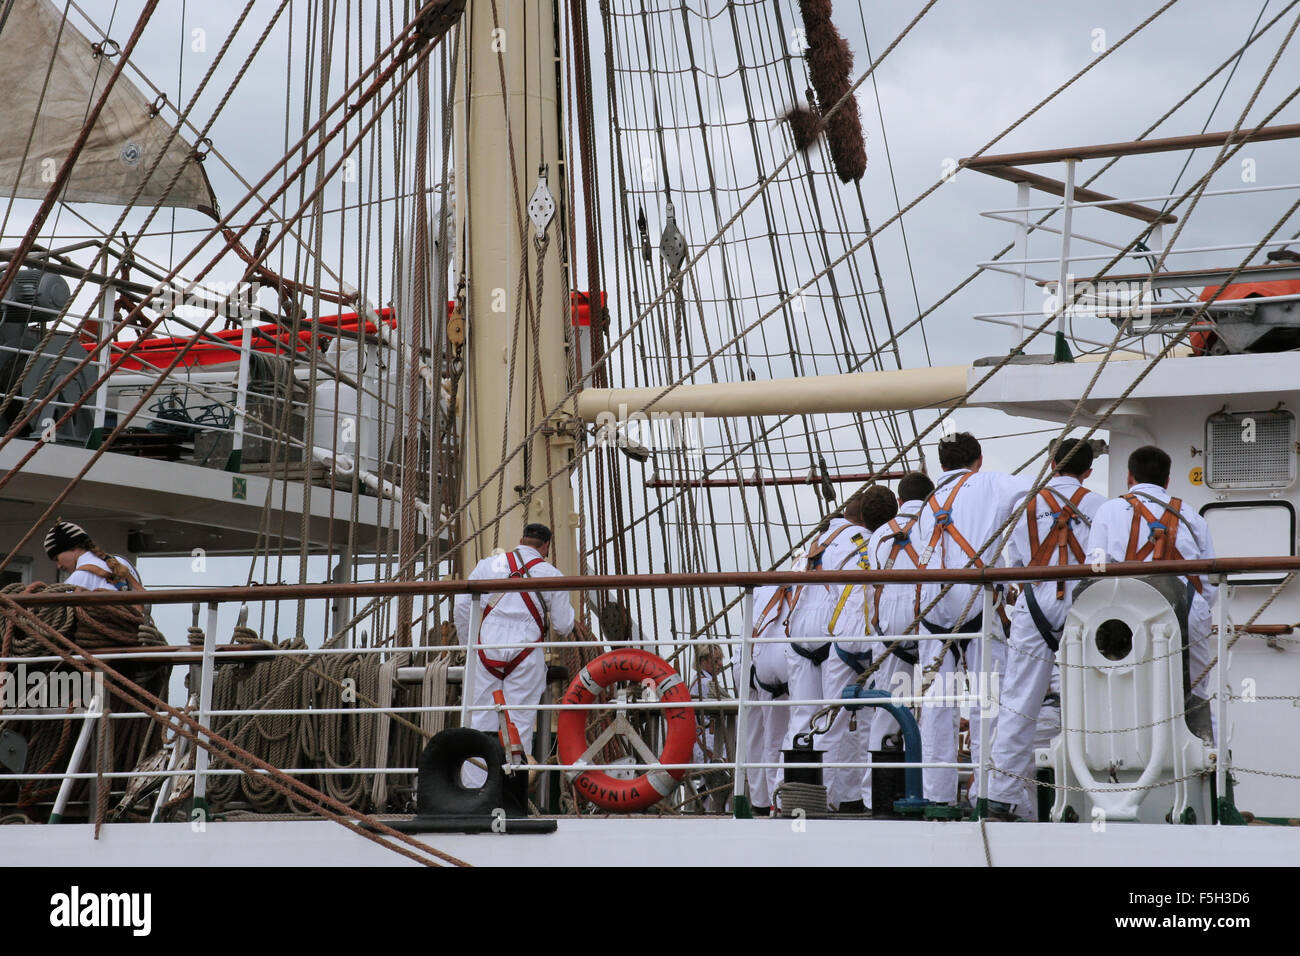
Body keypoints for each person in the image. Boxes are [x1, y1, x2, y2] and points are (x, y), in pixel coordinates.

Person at [987, 438, 1105, 820]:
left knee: (1019, 702)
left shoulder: (1023, 503)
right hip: (1083, 608)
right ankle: (1092, 795)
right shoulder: (1100, 505)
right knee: (1089, 703)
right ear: (1089, 470)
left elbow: (1018, 561)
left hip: (1033, 606)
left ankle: (1001, 797)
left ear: (1052, 463)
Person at [913, 432, 1028, 806]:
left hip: (933, 609)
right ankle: (987, 793)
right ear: (978, 459)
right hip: (978, 607)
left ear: (941, 465)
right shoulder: (992, 482)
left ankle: (937, 798)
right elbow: (1037, 495)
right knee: (988, 704)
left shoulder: (926, 502)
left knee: (935, 707)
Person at [1086, 445, 1217, 739]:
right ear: (1167, 481)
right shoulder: (1191, 514)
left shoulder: (1109, 510)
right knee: (1195, 694)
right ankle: (1207, 758)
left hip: (1128, 614)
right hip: (1189, 608)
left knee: (1125, 690)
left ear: (1129, 477)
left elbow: (1093, 569)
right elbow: (1208, 583)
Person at [453, 523, 576, 785]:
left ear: (521, 540)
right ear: (546, 547)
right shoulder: (552, 574)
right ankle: (511, 793)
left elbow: (462, 604)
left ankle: (473, 790)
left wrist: (470, 645)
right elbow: (564, 626)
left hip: (486, 653)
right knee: (518, 726)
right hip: (526, 656)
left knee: (479, 722)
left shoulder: (488, 565)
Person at [781, 491, 871, 810]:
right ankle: (841, 797)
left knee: (803, 720)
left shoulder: (817, 542)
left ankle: (791, 796)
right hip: (832, 632)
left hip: (799, 632)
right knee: (844, 722)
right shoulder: (864, 538)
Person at [819, 484, 897, 813]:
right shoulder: (887, 541)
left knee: (831, 722)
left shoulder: (832, 544)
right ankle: (869, 799)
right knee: (875, 722)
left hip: (843, 638)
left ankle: (825, 797)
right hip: (877, 640)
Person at [865, 471, 935, 799]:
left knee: (888, 708)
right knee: (939, 705)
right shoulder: (937, 524)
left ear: (899, 500)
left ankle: (878, 796)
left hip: (890, 626)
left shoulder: (878, 535)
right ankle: (936, 788)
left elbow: (872, 584)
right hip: (928, 615)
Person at [743, 584, 792, 815]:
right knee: (800, 728)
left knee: (766, 738)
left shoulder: (761, 592)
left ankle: (769, 802)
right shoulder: (804, 588)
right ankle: (782, 800)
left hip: (758, 664)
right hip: (786, 664)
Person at [44, 519, 143, 592]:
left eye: (57, 558)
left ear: (72, 547)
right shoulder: (121, 562)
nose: (59, 565)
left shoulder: (77, 578)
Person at [690, 643, 732, 812]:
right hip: (708, 744)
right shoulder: (706, 684)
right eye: (716, 661)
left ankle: (704, 810)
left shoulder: (698, 682)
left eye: (721, 660)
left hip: (705, 742)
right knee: (714, 780)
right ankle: (710, 812)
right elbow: (728, 701)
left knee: (708, 781)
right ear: (703, 661)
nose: (721, 664)